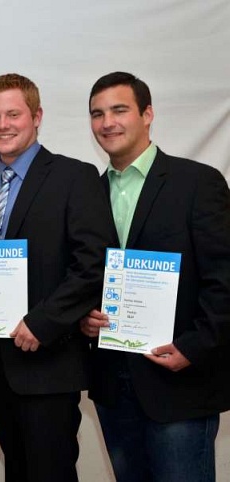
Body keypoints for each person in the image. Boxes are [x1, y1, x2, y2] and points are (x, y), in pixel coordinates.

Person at [0, 73, 114, 482]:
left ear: (37, 116)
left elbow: (93, 264)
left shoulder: (74, 177)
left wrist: (42, 322)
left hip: (49, 366)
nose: (3, 125)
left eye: (13, 114)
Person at [81, 71, 230, 482]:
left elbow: (224, 278)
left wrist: (193, 348)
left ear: (147, 114)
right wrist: (83, 317)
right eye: (97, 113)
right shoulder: (87, 194)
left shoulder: (197, 183)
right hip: (113, 383)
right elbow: (86, 275)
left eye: (119, 110)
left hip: (179, 380)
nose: (107, 122)